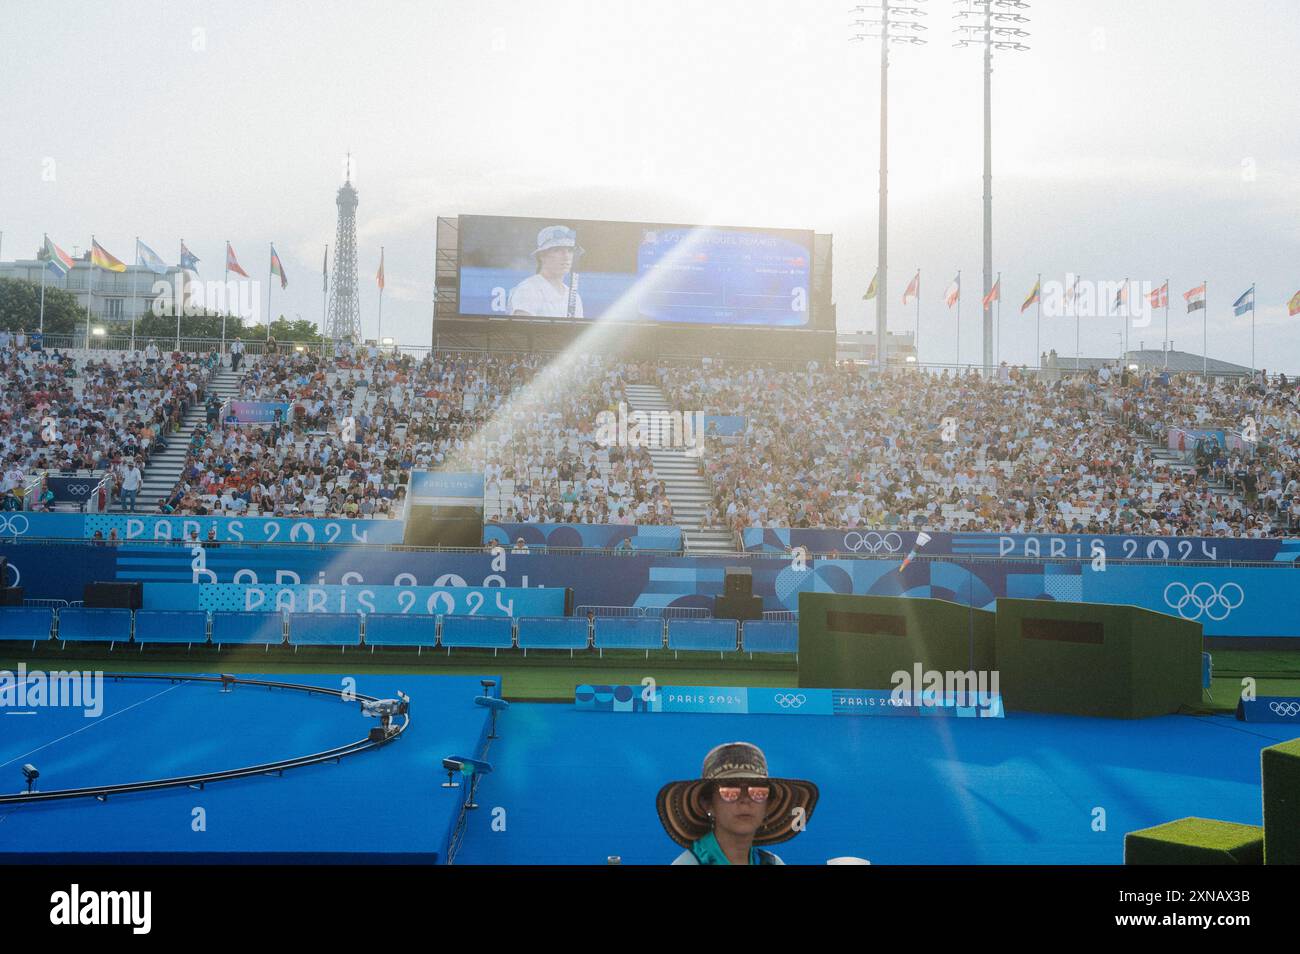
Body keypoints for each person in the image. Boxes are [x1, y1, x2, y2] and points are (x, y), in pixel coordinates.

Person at [657, 741, 818, 865]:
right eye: (729, 791)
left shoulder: (773, 863)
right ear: (708, 804)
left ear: (768, 806)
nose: (745, 800)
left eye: (758, 792)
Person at [508, 225, 585, 318]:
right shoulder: (528, 289)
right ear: (542, 255)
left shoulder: (574, 297)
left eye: (570, 250)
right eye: (557, 250)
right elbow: (521, 330)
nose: (566, 256)